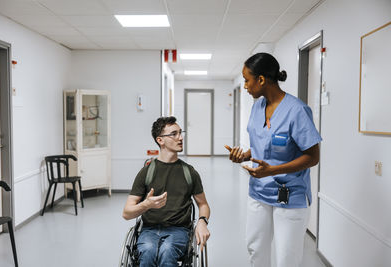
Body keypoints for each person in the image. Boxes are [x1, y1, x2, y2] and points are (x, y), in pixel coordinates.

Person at [225, 52, 322, 267]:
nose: (245, 86)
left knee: (287, 257)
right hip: (259, 192)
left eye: (247, 80)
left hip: (290, 195)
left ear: (261, 79)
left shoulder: (296, 110)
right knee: (255, 250)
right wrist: (244, 155)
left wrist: (273, 171)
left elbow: (313, 157)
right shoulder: (258, 106)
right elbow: (263, 144)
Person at [122, 116, 210, 267]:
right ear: (160, 140)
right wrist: (146, 205)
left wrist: (202, 222)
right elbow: (127, 213)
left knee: (167, 252)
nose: (180, 137)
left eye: (180, 133)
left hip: (179, 230)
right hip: (149, 229)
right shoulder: (146, 172)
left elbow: (203, 204)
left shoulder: (189, 173)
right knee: (148, 252)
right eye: (174, 134)